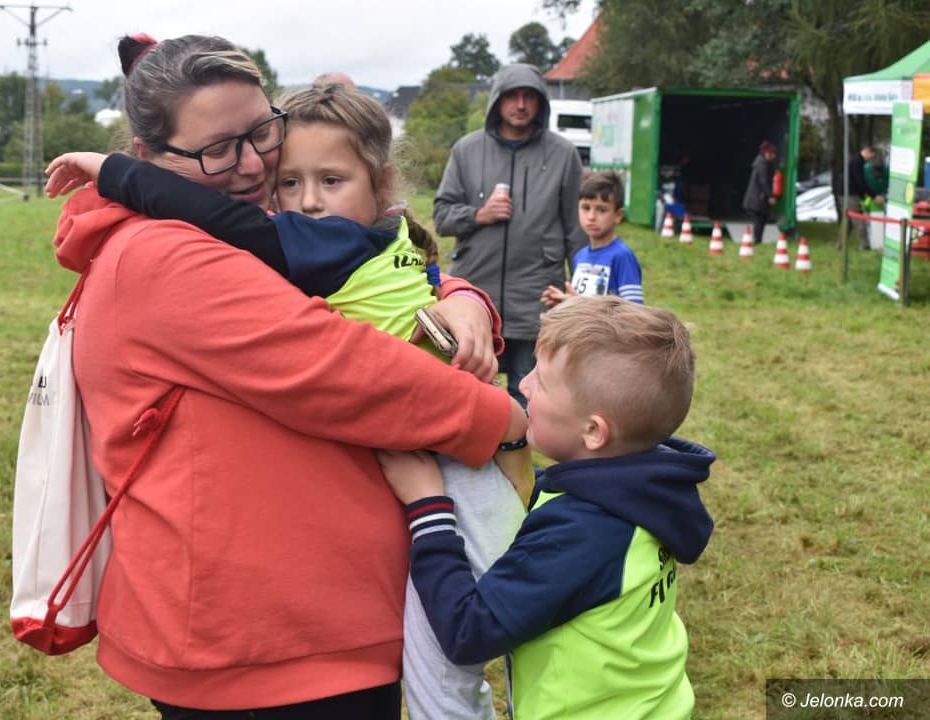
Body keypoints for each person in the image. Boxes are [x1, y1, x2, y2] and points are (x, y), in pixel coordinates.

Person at [46, 34, 527, 719]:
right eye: (219, 149)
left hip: (305, 625)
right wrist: (503, 420)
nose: (252, 166)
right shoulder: (170, 256)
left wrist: (461, 296)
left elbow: (383, 263)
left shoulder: (246, 225)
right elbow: (343, 370)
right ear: (147, 159)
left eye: (261, 132)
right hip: (267, 648)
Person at [378, 295, 716, 719]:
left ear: (593, 431)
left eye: (541, 380)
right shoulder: (645, 492)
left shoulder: (581, 535)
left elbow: (469, 632)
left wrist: (428, 509)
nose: (523, 385)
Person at [433, 62, 585, 408]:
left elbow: (575, 230)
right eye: (512, 96)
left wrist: (582, 292)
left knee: (529, 396)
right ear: (497, 100)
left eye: (529, 96)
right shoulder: (466, 150)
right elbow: (441, 217)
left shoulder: (563, 155)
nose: (521, 104)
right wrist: (479, 214)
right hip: (475, 297)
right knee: (467, 394)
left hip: (536, 298)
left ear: (541, 103)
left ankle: (523, 444)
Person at [540, 171, 643, 308]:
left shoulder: (622, 257)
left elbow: (635, 312)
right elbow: (583, 301)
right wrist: (566, 302)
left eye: (601, 210)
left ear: (618, 215)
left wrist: (585, 306)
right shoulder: (580, 256)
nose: (591, 217)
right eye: (586, 208)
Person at [835, 145, 876, 250]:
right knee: (859, 219)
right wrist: (873, 195)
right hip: (850, 194)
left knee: (848, 221)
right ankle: (865, 245)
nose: (870, 160)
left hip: (844, 193)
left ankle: (839, 245)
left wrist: (863, 196)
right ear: (867, 152)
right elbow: (860, 181)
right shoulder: (858, 162)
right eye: (871, 157)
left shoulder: (856, 160)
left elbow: (856, 181)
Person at [742, 140, 778, 245]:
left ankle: (758, 240)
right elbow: (764, 181)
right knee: (759, 219)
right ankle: (757, 240)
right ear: (766, 153)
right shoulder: (763, 165)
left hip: (758, 197)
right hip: (757, 198)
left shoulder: (762, 162)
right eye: (772, 154)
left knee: (762, 218)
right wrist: (770, 196)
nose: (774, 156)